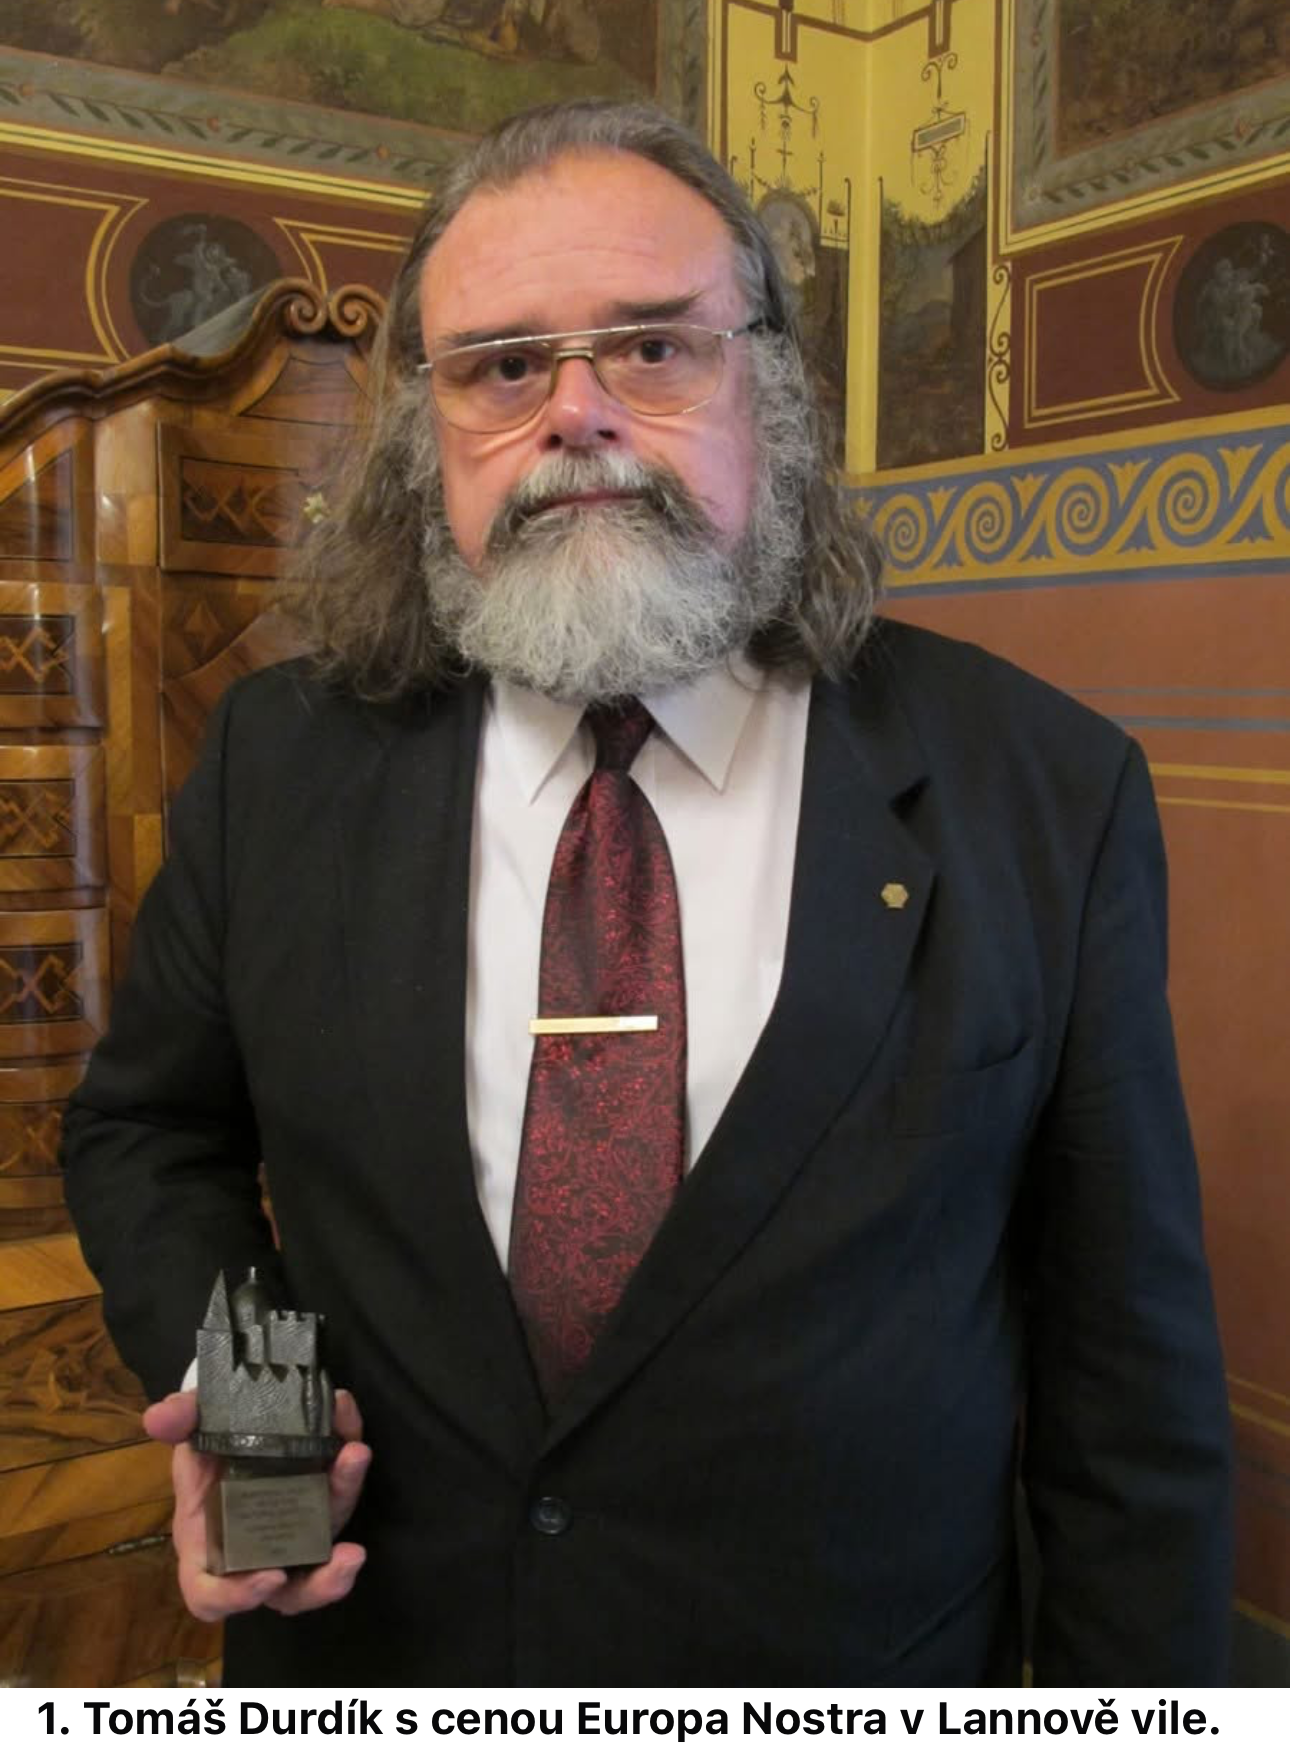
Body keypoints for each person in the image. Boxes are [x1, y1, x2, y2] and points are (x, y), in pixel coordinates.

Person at [62, 98, 1232, 1687]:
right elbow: (150, 1134)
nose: (577, 414)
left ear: (773, 392)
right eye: (500, 367)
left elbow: (1127, 1390)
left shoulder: (1042, 788)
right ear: (424, 435)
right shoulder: (280, 760)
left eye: (655, 348)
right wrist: (254, 1411)